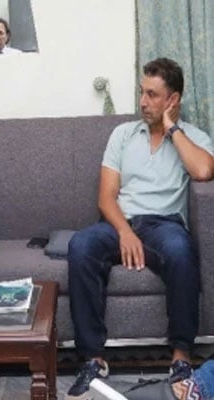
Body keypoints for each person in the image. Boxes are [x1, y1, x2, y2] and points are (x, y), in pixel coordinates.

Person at [65, 57, 214, 400]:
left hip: (165, 226)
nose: (143, 102)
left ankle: (180, 357)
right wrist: (125, 232)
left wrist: (172, 129)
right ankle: (93, 360)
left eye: (152, 94)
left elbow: (204, 171)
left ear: (172, 100)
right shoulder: (123, 134)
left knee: (181, 251)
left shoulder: (192, 137)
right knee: (81, 246)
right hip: (121, 221)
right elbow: (106, 197)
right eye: (141, 92)